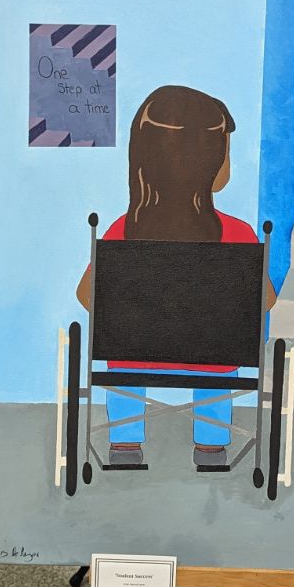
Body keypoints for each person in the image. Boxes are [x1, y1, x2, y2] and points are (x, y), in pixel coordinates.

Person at [75, 86, 273, 472]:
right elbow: (264, 301)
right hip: (213, 359)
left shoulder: (122, 230)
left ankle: (126, 443)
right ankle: (211, 446)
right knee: (221, 353)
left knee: (123, 352)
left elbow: (87, 296)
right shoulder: (240, 234)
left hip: (135, 356)